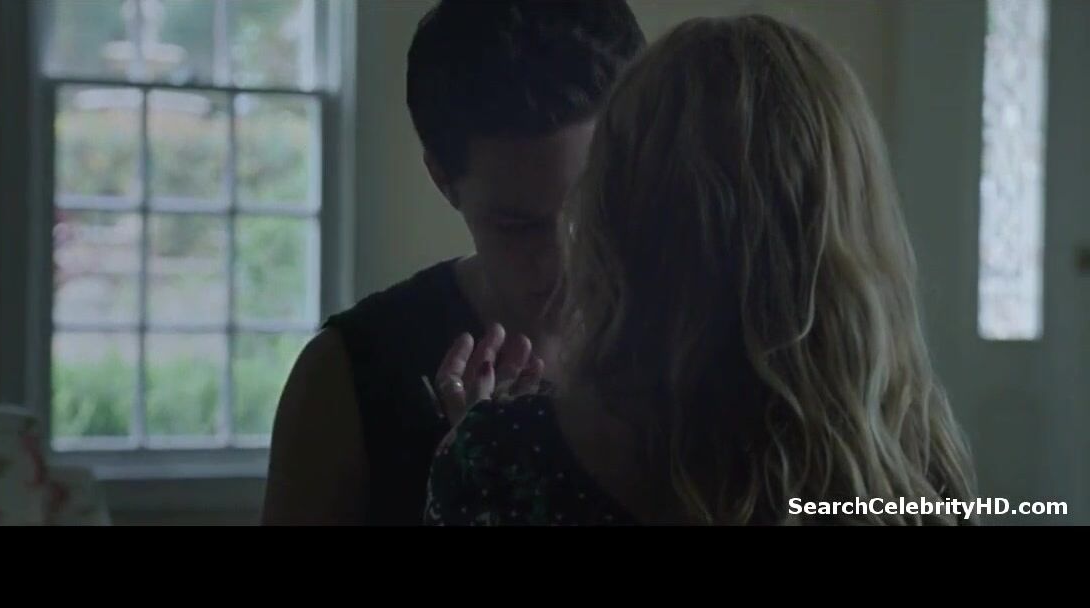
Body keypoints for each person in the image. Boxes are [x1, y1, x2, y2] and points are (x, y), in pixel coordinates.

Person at [424, 14, 979, 525]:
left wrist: (482, 454)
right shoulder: (914, 463)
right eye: (517, 225)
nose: (556, 250)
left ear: (615, 215)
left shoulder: (502, 464)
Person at [261, 0, 646, 525]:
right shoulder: (349, 379)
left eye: (595, 205)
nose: (567, 259)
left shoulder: (695, 344)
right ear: (443, 180)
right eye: (518, 226)